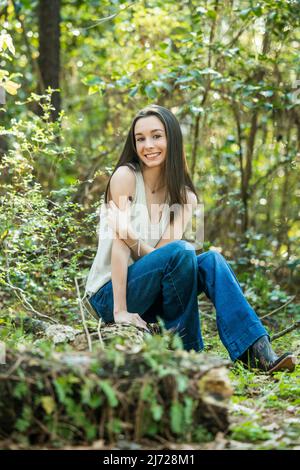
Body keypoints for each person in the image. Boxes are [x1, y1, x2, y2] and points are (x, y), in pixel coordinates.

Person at [84, 104, 295, 374]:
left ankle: (257, 352)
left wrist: (131, 237)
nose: (148, 145)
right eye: (140, 138)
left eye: (157, 136)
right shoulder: (126, 177)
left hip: (149, 291)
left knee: (211, 261)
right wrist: (120, 311)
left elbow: (165, 257)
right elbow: (120, 248)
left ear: (172, 138)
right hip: (110, 293)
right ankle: (190, 351)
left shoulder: (185, 197)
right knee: (183, 252)